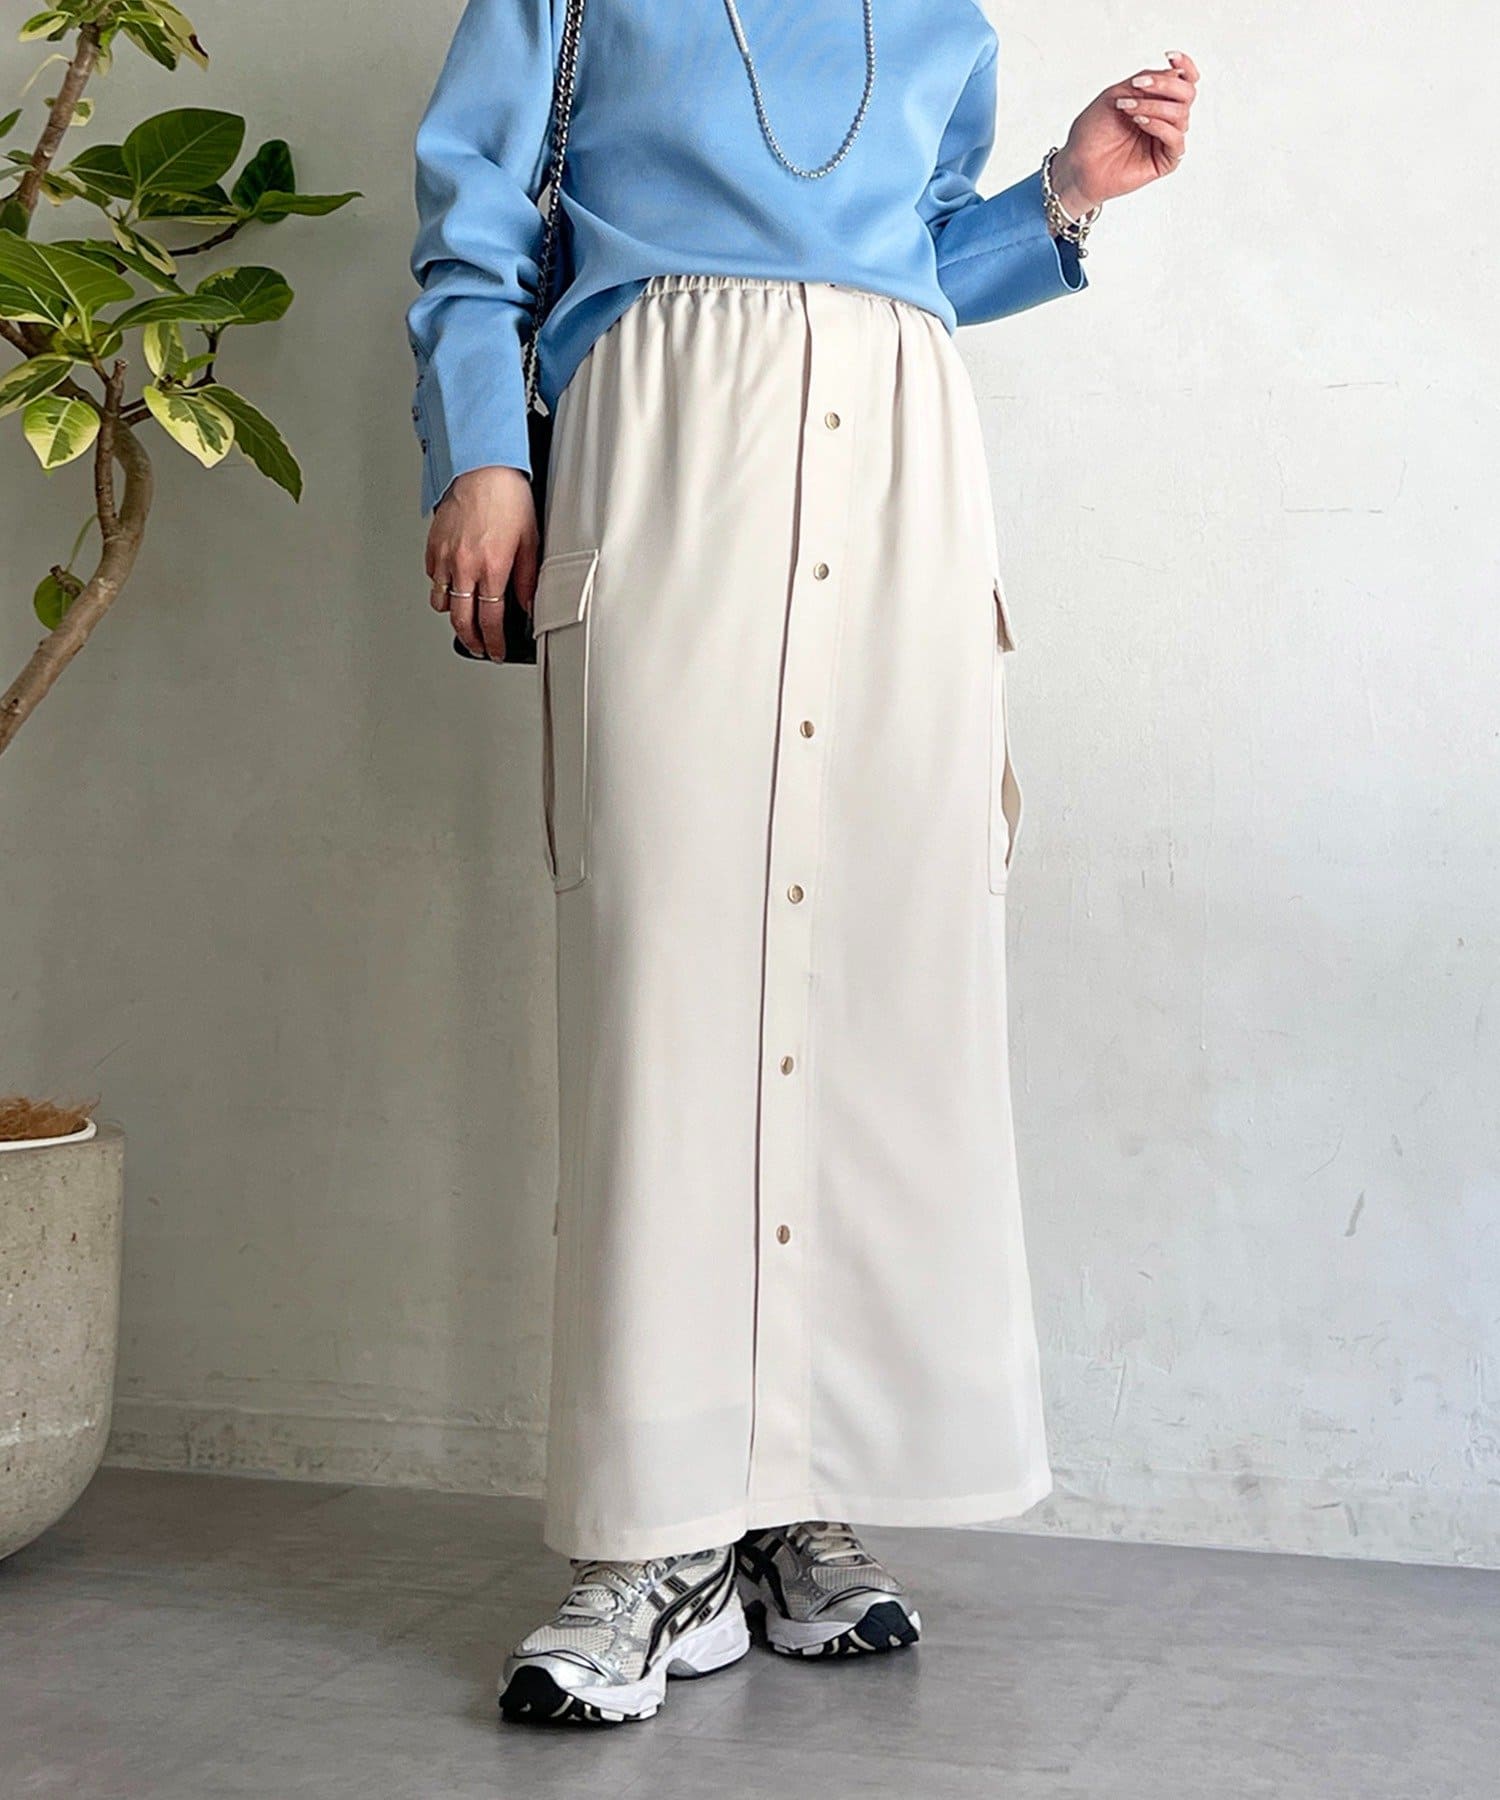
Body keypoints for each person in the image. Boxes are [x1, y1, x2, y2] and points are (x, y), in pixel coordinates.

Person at [408, 0, 1198, 1727]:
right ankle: (646, 1539)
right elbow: (475, 228)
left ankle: (790, 1501)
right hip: (667, 464)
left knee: (881, 997)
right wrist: (482, 449)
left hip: (907, 492)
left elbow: (913, 268)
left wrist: (1065, 192)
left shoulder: (940, 18)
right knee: (667, 995)